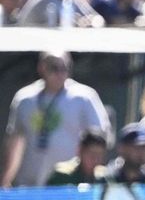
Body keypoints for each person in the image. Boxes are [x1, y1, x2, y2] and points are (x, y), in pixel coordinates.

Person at [3, 51, 111, 188]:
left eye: (64, 68)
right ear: (42, 68)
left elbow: (99, 139)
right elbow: (15, 143)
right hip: (29, 183)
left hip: (67, 183)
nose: (60, 73)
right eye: (54, 68)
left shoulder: (84, 97)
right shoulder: (25, 99)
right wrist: (5, 179)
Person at [45, 128, 109, 186]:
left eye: (99, 155)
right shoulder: (62, 176)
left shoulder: (103, 178)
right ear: (80, 151)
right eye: (92, 154)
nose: (95, 159)